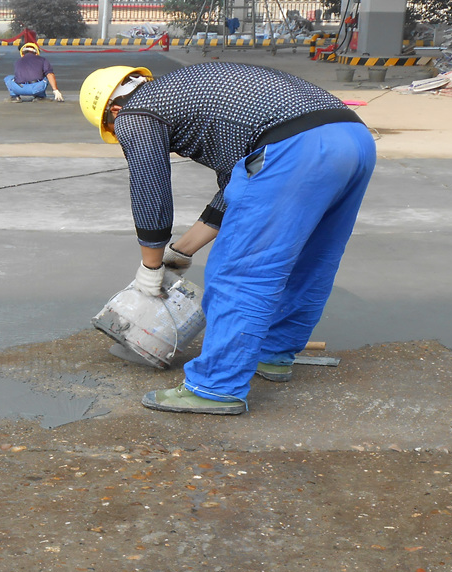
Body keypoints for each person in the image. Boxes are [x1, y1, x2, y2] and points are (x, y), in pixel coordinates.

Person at [78, 62, 376, 415]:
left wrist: (150, 267)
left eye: (114, 129)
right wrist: (181, 252)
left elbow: (150, 190)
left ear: (114, 110)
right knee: (312, 261)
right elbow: (239, 188)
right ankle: (273, 353)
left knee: (239, 272)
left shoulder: (136, 112)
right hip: (353, 139)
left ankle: (216, 386)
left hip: (294, 147)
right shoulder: (186, 92)